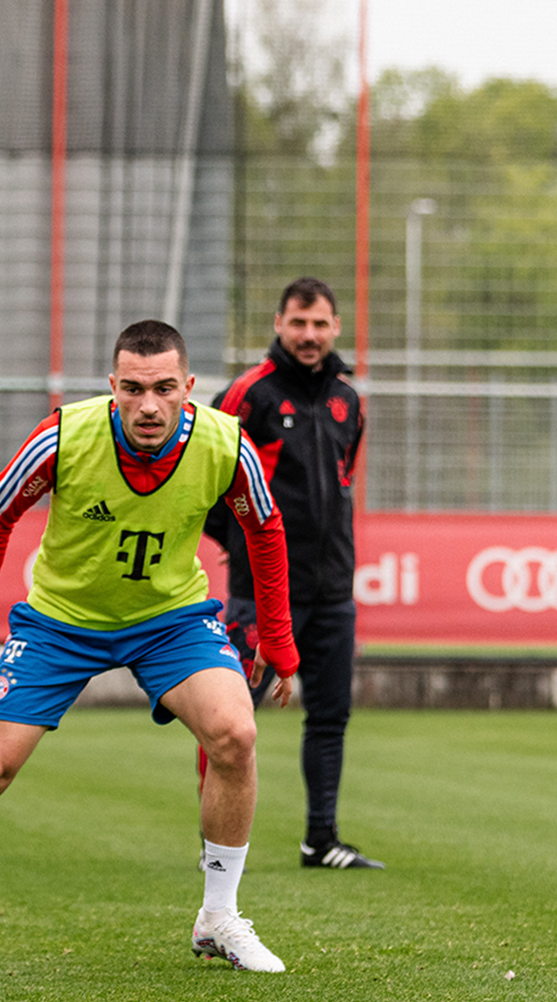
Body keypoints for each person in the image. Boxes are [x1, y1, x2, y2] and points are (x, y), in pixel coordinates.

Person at [0, 319, 300, 975]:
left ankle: (220, 916)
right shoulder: (64, 436)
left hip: (171, 619)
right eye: (134, 388)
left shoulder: (224, 443)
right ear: (112, 385)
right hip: (61, 621)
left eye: (165, 388)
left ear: (190, 387)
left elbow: (265, 528)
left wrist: (278, 639)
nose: (149, 405)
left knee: (236, 733)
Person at [205, 277, 379, 869]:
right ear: (278, 323)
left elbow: (346, 481)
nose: (309, 335)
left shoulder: (348, 398)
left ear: (335, 328)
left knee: (330, 716)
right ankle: (215, 848)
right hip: (259, 591)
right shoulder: (247, 394)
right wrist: (244, 549)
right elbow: (203, 480)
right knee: (230, 719)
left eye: (320, 324)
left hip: (333, 589)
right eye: (299, 323)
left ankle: (321, 839)